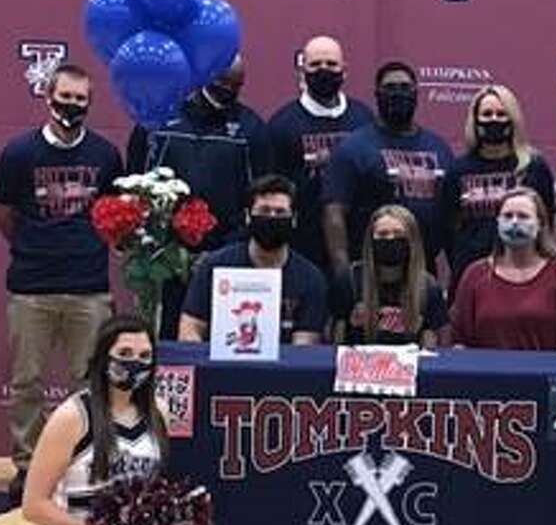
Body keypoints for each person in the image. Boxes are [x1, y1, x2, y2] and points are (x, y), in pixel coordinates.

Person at [22, 314, 232, 525]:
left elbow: (153, 491)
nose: (136, 364)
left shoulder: (158, 410)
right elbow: (33, 507)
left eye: (145, 357)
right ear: (103, 356)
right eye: (125, 355)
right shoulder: (72, 417)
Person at [0, 64, 122, 503]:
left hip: (89, 286)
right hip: (31, 286)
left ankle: (84, 464)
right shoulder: (19, 153)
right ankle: (28, 466)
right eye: (65, 96)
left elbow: (112, 216)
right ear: (48, 95)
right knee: (27, 382)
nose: (72, 106)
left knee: (91, 383)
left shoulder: (105, 154)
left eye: (80, 99)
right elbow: (4, 215)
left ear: (90, 102)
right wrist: (36, 246)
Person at [126, 54, 274, 338]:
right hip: (165, 264)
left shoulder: (251, 129)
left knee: (227, 344)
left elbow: (262, 197)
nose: (227, 91)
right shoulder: (159, 119)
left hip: (227, 264)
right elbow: (135, 185)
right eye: (221, 82)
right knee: (167, 346)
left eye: (236, 85)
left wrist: (226, 250)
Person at [323, 61, 454, 276]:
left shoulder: (438, 148)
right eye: (390, 88)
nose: (398, 94)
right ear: (377, 95)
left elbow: (451, 219)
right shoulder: (354, 147)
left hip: (422, 270)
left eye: (405, 88)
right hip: (369, 271)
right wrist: (342, 270)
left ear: (416, 94)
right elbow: (334, 212)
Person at [178, 175, 327, 345]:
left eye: (280, 212)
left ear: (293, 219)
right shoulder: (215, 266)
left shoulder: (311, 279)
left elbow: (304, 347)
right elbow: (190, 329)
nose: (272, 217)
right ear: (248, 216)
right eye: (264, 210)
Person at [266, 35, 374, 271]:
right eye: (315, 65)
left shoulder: (365, 119)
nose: (324, 70)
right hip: (302, 251)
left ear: (344, 71)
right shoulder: (281, 125)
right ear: (302, 71)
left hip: (359, 250)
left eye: (331, 64)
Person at [440, 85, 555, 293]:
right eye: (487, 114)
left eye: (502, 114)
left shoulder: (534, 168)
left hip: (526, 279)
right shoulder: (458, 170)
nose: (494, 119)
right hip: (471, 281)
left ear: (513, 119)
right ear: (475, 121)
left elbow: (546, 227)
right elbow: (447, 231)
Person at [451, 188, 556, 352]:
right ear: (497, 223)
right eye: (507, 216)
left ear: (540, 224)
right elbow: (459, 342)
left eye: (523, 216)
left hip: (550, 374)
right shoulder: (474, 275)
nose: (514, 222)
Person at [329, 204, 447, 348]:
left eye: (399, 234)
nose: (390, 239)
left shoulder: (428, 287)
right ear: (370, 240)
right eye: (382, 234)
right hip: (358, 366)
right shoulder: (349, 281)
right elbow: (335, 341)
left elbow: (432, 347)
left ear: (412, 240)